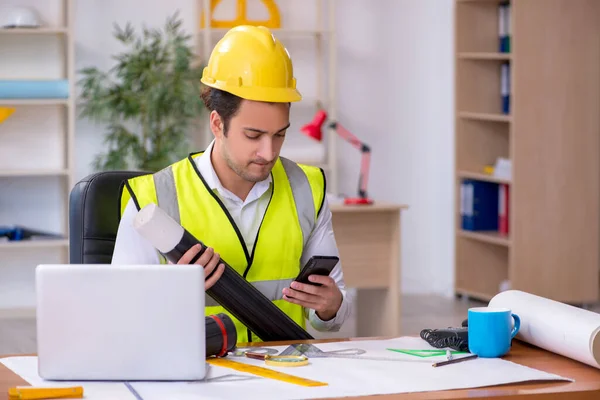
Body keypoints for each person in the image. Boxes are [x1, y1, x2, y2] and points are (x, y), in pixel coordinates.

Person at [111, 25, 352, 343]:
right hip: (196, 380)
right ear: (217, 124)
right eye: (253, 135)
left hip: (287, 376)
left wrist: (330, 306)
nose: (269, 153)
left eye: (279, 134)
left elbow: (328, 320)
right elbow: (119, 320)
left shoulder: (307, 188)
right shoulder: (152, 200)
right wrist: (173, 295)